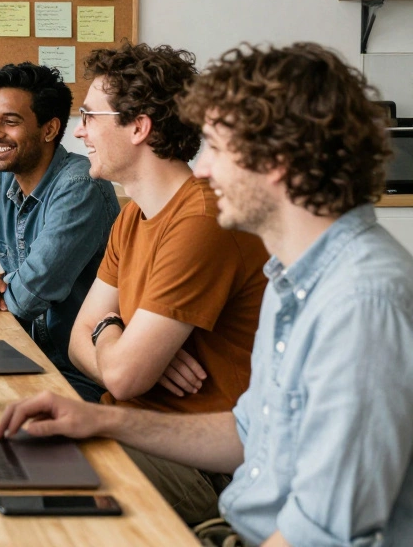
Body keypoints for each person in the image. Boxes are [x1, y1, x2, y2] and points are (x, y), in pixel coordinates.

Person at [0, 42, 413, 547]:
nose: (203, 169)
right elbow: (248, 435)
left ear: (276, 160)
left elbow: (325, 533)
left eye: (217, 146)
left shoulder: (362, 303)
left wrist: (112, 354)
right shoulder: (295, 274)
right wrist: (99, 418)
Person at [65, 42, 268, 525]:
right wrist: (121, 340)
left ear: (138, 126)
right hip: (136, 430)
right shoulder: (132, 216)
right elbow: (77, 341)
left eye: (91, 116)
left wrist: (110, 327)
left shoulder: (200, 218)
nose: (80, 131)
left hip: (197, 464)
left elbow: (120, 373)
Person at [0, 63, 119, 402]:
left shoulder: (81, 187)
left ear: (49, 130)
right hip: (17, 353)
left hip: (73, 374)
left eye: (10, 121)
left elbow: (25, 298)